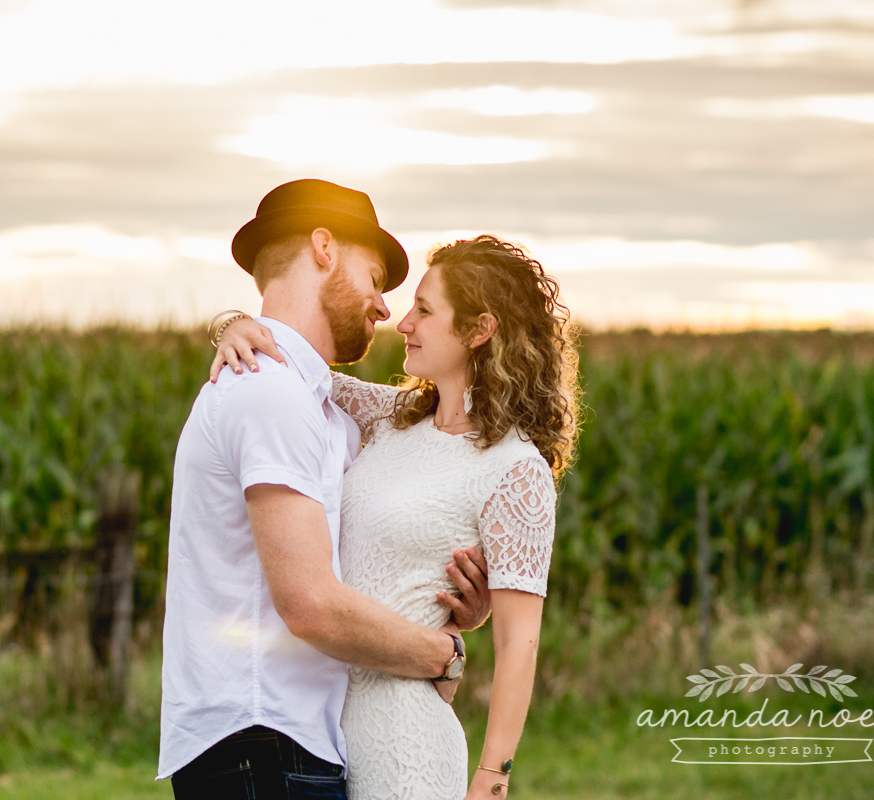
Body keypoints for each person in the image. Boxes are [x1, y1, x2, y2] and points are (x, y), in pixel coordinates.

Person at [211, 233, 580, 799]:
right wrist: (231, 324)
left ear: (479, 330)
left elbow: (519, 643)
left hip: (404, 741)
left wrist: (493, 775)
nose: (403, 323)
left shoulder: (515, 469)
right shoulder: (394, 417)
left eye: (425, 311)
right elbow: (294, 369)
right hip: (324, 735)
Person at [158, 179, 494, 800]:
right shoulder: (266, 392)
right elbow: (310, 601)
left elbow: (372, 546)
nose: (383, 308)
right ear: (323, 247)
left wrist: (455, 601)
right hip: (259, 741)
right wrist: (442, 654)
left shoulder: (325, 415)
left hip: (287, 743)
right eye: (374, 278)